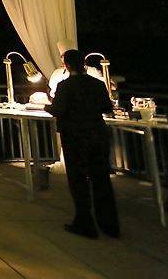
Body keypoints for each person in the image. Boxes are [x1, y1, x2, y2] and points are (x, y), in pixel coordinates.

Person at [48, 49, 120, 238]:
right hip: (97, 133)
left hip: (74, 135)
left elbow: (58, 109)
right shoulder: (97, 84)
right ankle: (110, 226)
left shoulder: (65, 86)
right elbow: (106, 107)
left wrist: (48, 106)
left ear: (67, 65)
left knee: (78, 179)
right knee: (101, 179)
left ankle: (85, 223)